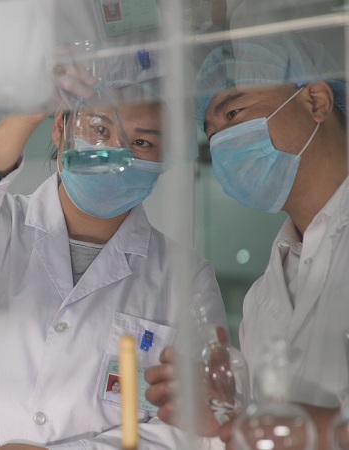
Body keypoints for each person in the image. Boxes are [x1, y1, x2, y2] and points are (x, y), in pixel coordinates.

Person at [0, 79, 228, 449]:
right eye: (99, 130)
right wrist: (22, 117)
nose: (116, 154)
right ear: (59, 127)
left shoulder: (186, 279)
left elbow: (195, 430)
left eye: (142, 143)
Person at [144, 34, 348, 449]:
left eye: (233, 113)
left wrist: (309, 428)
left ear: (316, 101)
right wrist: (229, 417)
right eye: (211, 133)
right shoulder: (261, 300)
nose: (221, 143)